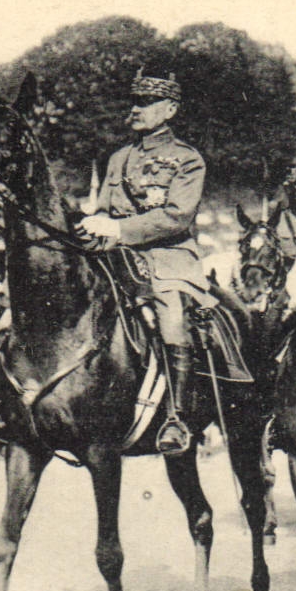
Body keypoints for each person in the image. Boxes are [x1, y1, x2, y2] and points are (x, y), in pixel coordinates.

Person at [78, 70, 209, 455]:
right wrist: (92, 225)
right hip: (117, 257)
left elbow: (176, 217)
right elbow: (104, 209)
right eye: (134, 102)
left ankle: (176, 417)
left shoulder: (187, 159)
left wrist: (118, 230)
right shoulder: (119, 158)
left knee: (171, 320)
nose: (136, 110)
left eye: (146, 103)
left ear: (169, 109)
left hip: (169, 259)